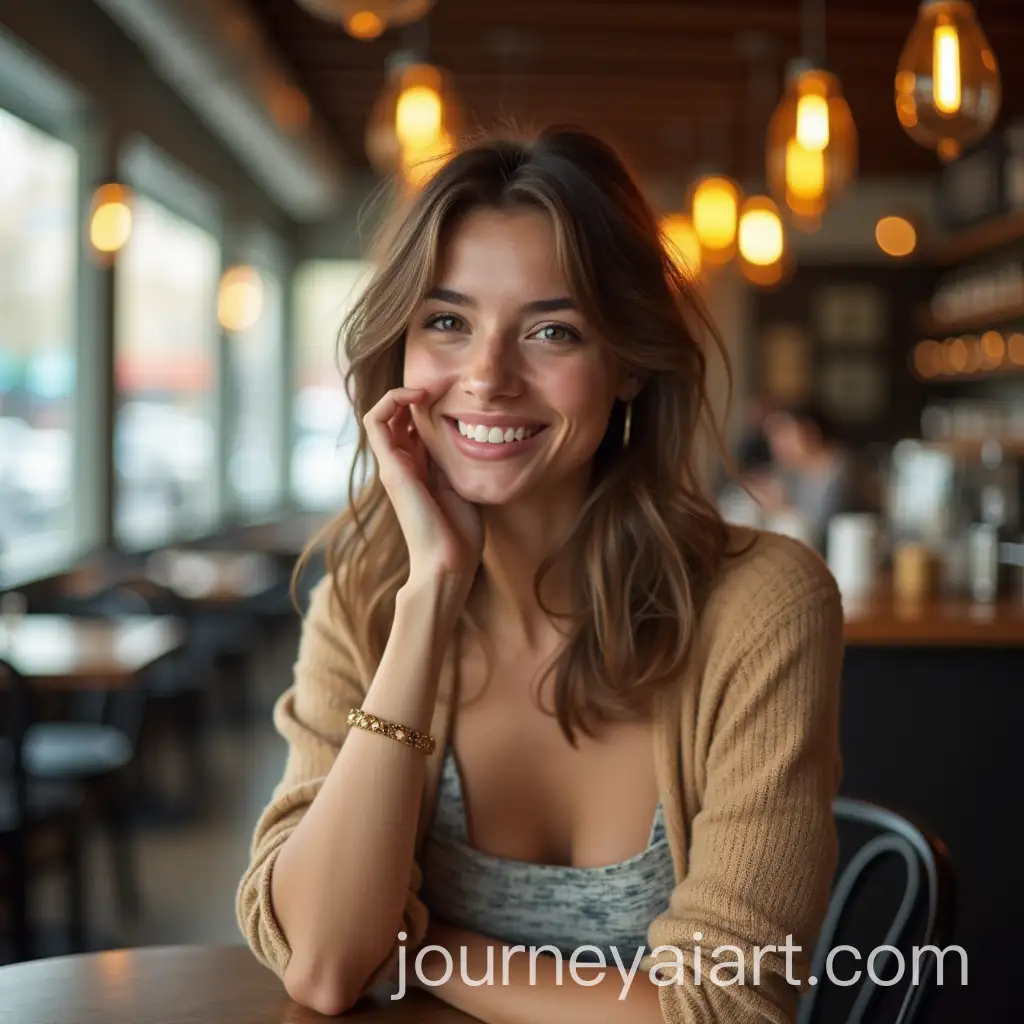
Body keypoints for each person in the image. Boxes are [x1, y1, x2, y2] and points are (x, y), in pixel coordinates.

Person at [237, 126, 843, 1022]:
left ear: (630, 362)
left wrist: (416, 945)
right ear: (401, 349)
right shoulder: (366, 600)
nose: (487, 377)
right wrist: (430, 597)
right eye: (447, 322)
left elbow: (728, 1010)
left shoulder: (763, 606)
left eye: (553, 331)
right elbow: (325, 965)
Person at [756, 403, 860, 555]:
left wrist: (782, 509)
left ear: (810, 431)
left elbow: (821, 531)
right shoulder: (792, 472)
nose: (776, 445)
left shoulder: (839, 470)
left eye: (783, 434)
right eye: (772, 437)